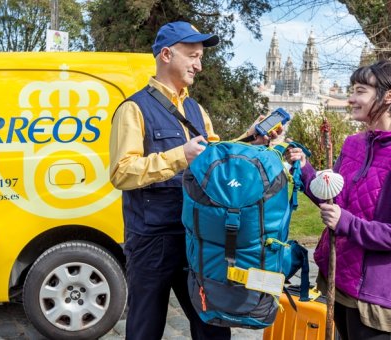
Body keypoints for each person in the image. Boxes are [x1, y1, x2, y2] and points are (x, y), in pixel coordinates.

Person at [109, 21, 277, 340]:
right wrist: (179, 156)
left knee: (213, 325)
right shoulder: (133, 109)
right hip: (152, 240)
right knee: (145, 326)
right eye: (193, 56)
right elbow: (121, 172)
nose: (199, 65)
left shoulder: (196, 109)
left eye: (201, 57)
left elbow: (213, 159)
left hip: (199, 236)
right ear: (167, 55)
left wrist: (251, 141)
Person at [285, 59, 391, 339]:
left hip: (370, 292)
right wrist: (304, 167)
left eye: (360, 91)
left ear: (388, 96)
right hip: (335, 274)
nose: (351, 98)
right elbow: (332, 199)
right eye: (351, 90)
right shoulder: (353, 143)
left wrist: (347, 223)